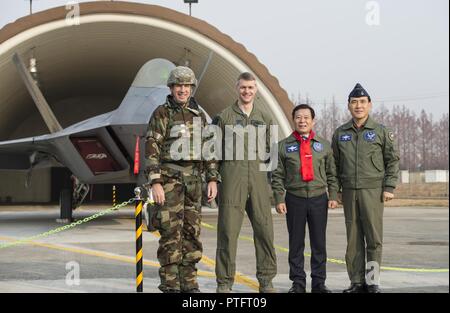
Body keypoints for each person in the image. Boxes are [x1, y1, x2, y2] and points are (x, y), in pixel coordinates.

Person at [145, 66, 220, 293]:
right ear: (171, 87)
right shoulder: (162, 113)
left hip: (194, 182)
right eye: (179, 85)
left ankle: (189, 284)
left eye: (187, 86)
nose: (183, 90)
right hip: (169, 181)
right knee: (170, 234)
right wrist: (155, 182)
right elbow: (152, 147)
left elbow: (209, 149)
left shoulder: (200, 116)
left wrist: (213, 179)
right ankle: (170, 285)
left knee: (191, 233)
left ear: (191, 88)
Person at [332, 83, 400, 293]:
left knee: (373, 238)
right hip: (350, 192)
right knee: (353, 239)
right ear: (349, 106)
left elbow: (392, 160)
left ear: (369, 105)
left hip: (373, 191)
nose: (358, 106)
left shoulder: (380, 132)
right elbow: (333, 165)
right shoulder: (340, 133)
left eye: (362, 102)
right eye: (354, 102)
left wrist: (389, 186)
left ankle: (372, 282)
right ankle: (356, 282)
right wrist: (335, 192)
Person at [213, 72, 277, 293]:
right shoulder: (224, 117)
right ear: (236, 88)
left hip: (258, 181)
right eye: (243, 88)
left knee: (264, 231)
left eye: (250, 88)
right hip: (232, 179)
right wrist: (213, 179)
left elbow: (273, 156)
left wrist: (275, 188)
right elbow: (213, 152)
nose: (246, 91)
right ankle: (224, 282)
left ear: (256, 89)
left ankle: (266, 280)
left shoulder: (265, 118)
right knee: (228, 233)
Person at [271, 104, 339, 293]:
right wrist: (279, 198)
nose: (302, 121)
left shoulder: (323, 145)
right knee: (296, 243)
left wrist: (333, 195)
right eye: (298, 117)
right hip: (294, 199)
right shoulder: (283, 146)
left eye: (306, 117)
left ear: (313, 120)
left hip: (319, 198)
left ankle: (319, 283)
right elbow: (276, 175)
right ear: (294, 120)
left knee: (319, 243)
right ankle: (298, 283)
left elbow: (332, 173)